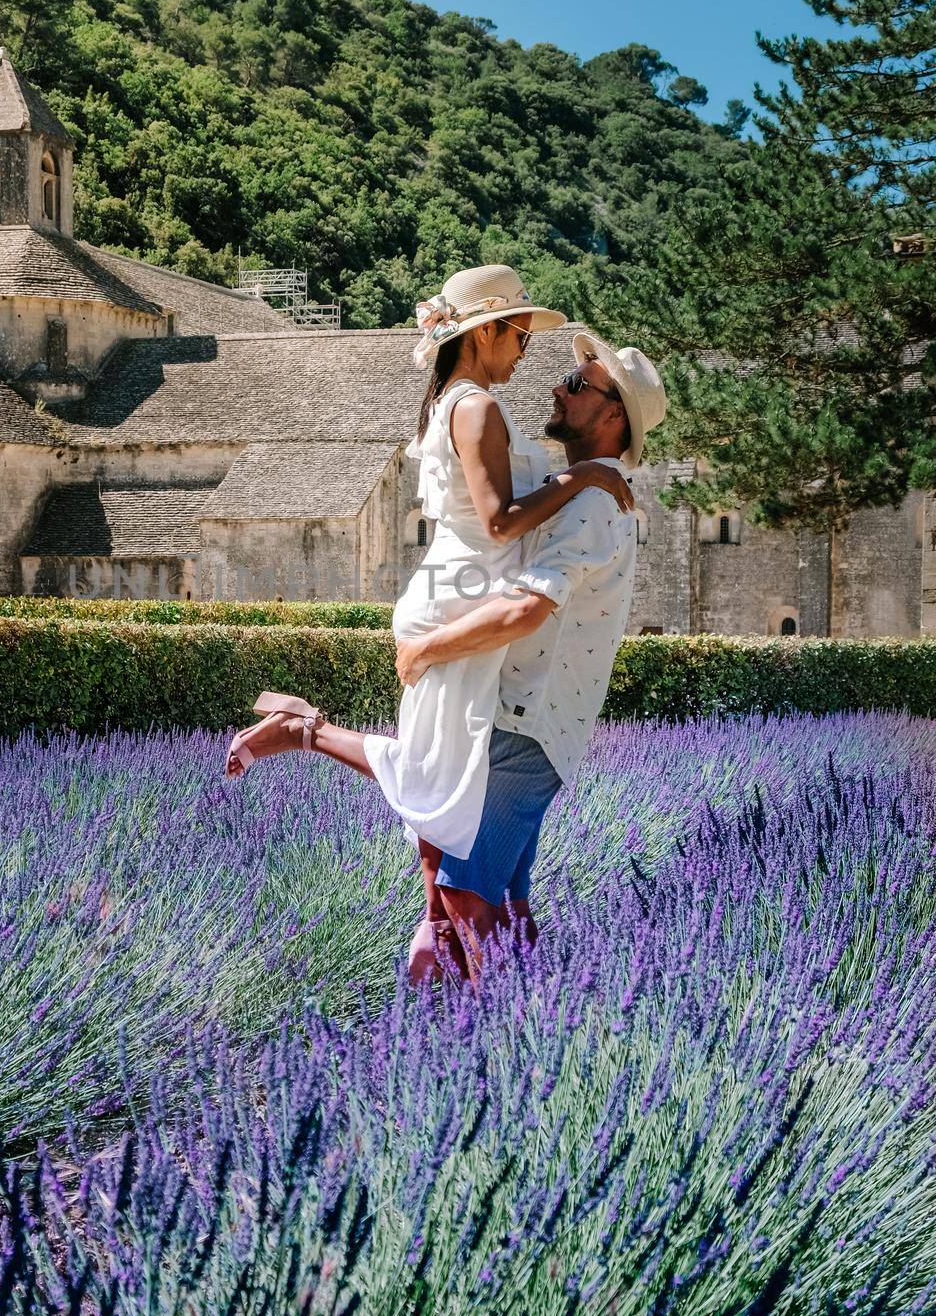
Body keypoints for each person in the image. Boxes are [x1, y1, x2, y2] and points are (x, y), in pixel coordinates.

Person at [226, 277, 663, 984]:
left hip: (501, 667)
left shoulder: (563, 475)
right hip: (477, 630)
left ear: (614, 415)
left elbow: (514, 563)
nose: (543, 373)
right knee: (450, 853)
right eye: (522, 339)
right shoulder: (497, 421)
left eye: (574, 382)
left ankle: (473, 1022)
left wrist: (579, 477)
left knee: (450, 852)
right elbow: (499, 526)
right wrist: (580, 474)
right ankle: (491, 1029)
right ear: (483, 333)